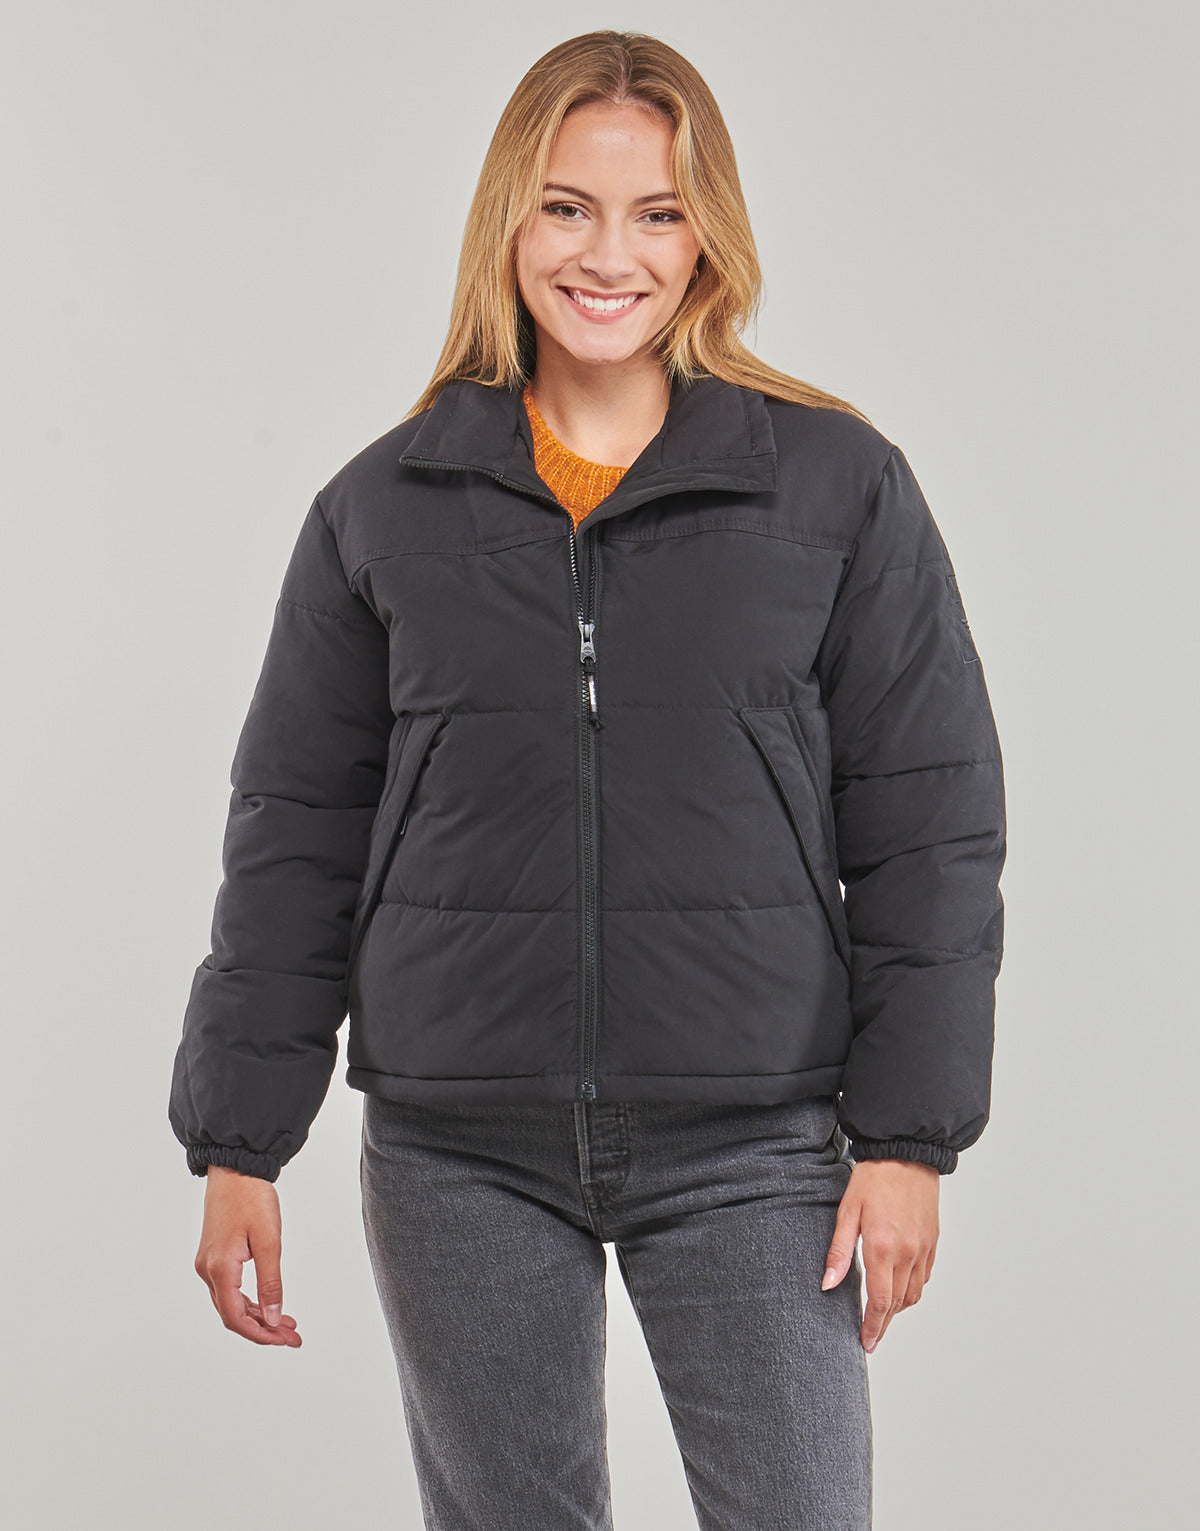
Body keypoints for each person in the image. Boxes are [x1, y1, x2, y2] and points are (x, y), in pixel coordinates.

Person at [169, 29, 1005, 1531]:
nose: (609, 255)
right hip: (457, 1143)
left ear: (709, 238)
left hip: (754, 1137)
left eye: (657, 213)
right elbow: (296, 833)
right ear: (508, 219)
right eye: (567, 207)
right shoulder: (381, 508)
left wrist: (905, 1137)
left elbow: (929, 827)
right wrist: (241, 1140)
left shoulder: (836, 487)